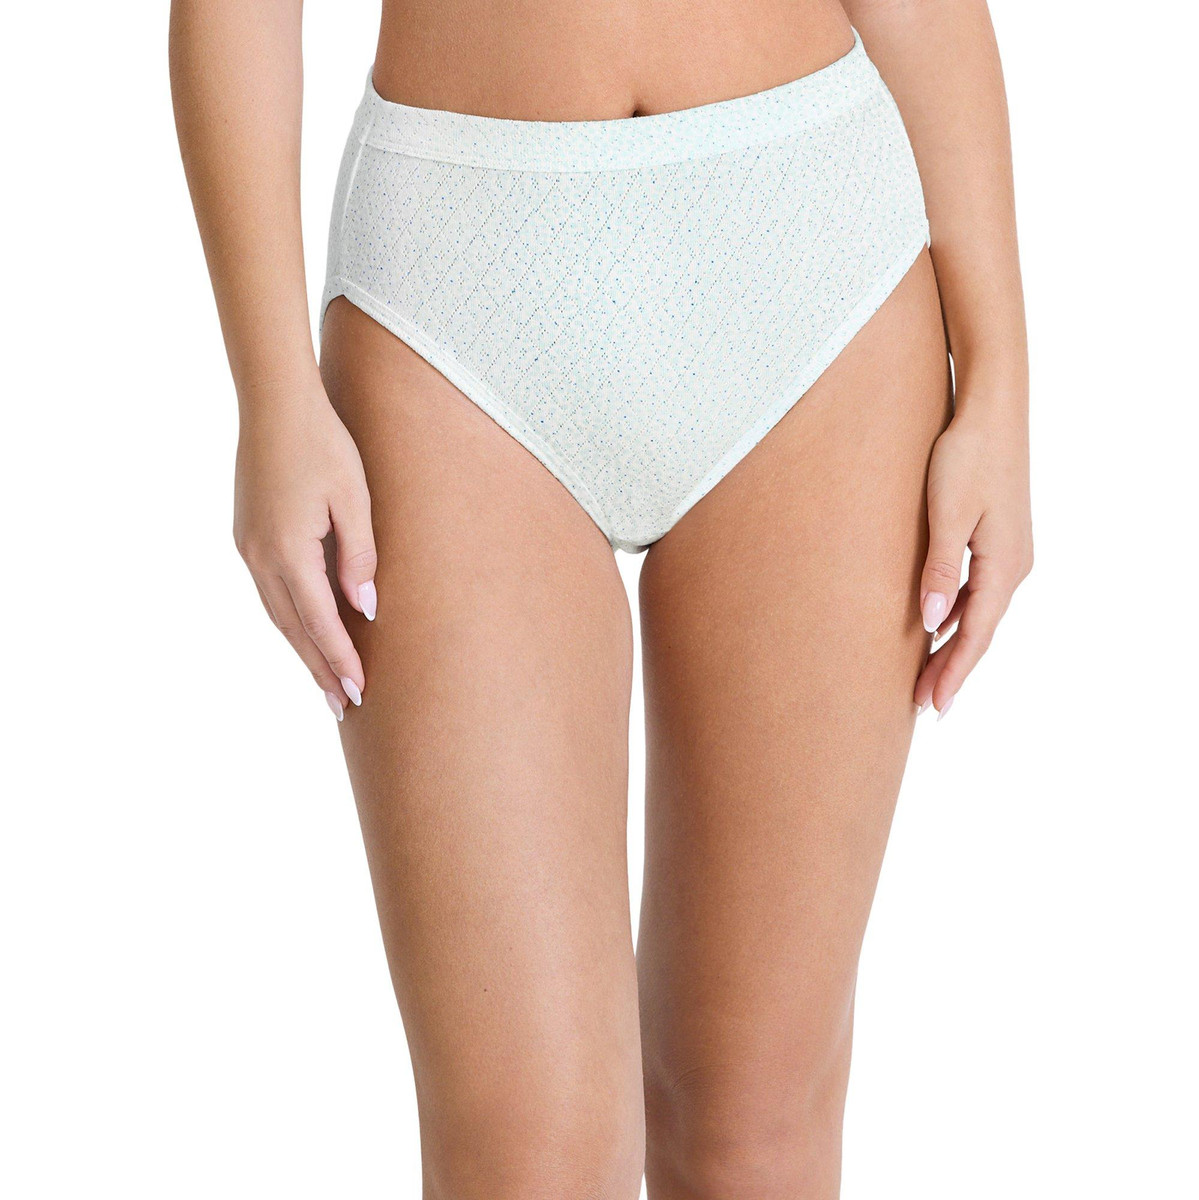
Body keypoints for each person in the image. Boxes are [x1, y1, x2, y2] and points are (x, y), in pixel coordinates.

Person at [170, 0, 1032, 1194]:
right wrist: (270, 392)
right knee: (524, 1149)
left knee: (758, 1120)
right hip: (454, 281)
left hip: (810, 246)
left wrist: (1000, 380)